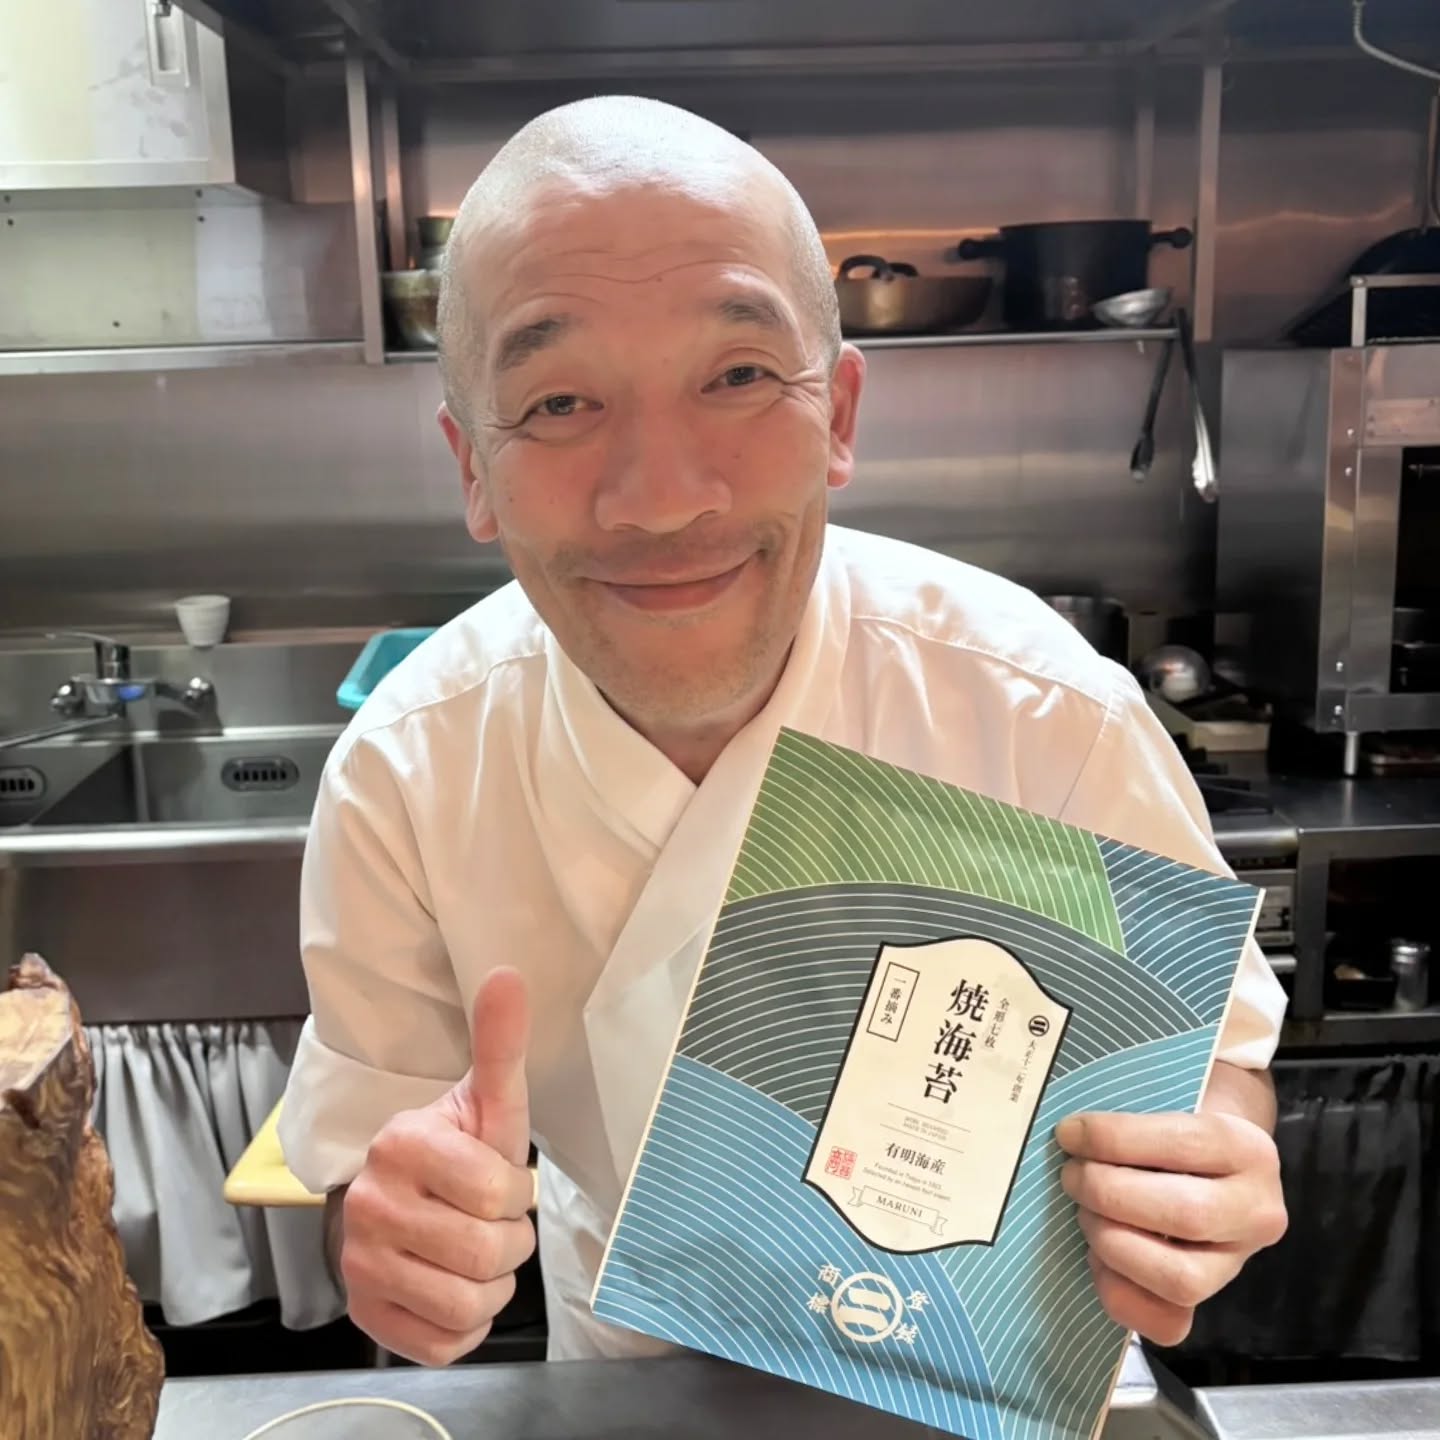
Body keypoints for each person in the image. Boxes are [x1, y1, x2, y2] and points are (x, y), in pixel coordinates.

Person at [279, 94, 1288, 1369]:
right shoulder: (412, 768)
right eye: (560, 402)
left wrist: (1203, 1173)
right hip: (634, 1385)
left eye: (740, 377)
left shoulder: (1038, 709)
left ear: (840, 415)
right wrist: (397, 1241)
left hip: (982, 1373)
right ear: (471, 465)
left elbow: (1215, 1066)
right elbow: (359, 1167)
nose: (662, 499)